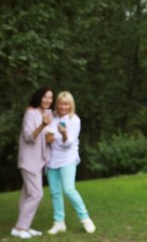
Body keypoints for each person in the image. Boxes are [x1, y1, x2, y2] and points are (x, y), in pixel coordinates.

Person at [45, 91, 96, 235]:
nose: (63, 107)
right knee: (55, 193)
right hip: (52, 160)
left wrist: (63, 134)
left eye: (66, 104)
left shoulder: (74, 120)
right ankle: (59, 222)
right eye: (61, 103)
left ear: (70, 105)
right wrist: (48, 138)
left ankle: (85, 218)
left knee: (69, 189)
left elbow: (68, 144)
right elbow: (47, 138)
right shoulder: (52, 118)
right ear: (57, 104)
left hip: (68, 158)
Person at [11, 87, 54, 239]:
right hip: (28, 159)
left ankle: (24, 227)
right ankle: (20, 227)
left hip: (39, 160)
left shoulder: (48, 113)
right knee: (37, 194)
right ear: (39, 97)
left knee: (27, 194)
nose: (48, 100)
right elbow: (29, 136)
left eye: (50, 98)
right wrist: (42, 125)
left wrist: (52, 137)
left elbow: (45, 138)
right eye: (45, 97)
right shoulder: (30, 113)